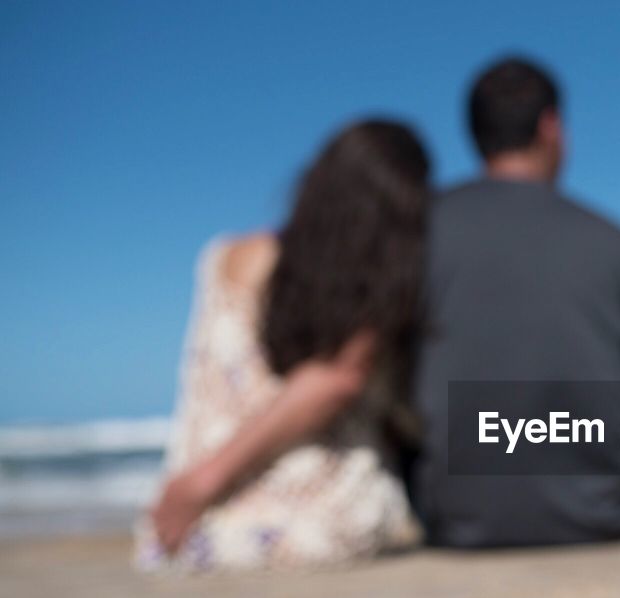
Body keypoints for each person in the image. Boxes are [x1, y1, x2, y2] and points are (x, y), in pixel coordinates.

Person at [414, 57, 620, 548]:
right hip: (601, 512)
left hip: (453, 516)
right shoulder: (612, 240)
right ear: (550, 125)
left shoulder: (418, 228)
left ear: (476, 133)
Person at [135, 119, 430, 572]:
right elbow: (336, 381)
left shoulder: (226, 257)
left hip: (189, 519)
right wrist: (206, 482)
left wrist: (193, 485)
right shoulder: (375, 288)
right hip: (317, 513)